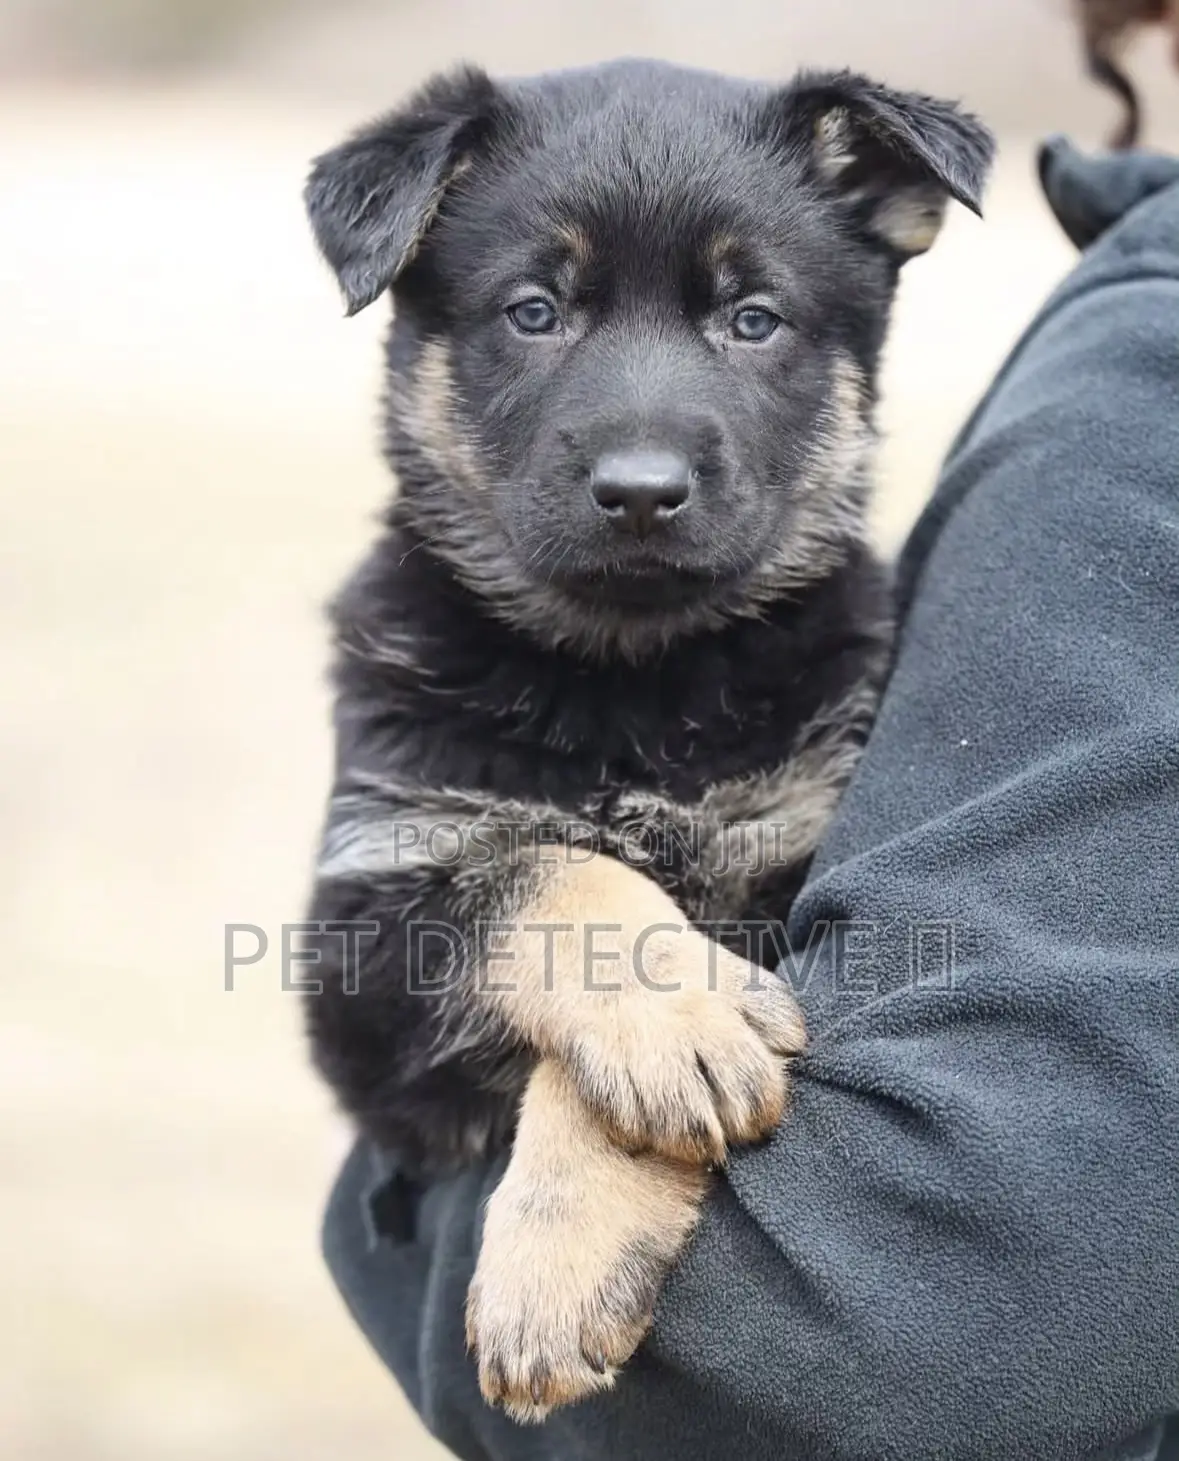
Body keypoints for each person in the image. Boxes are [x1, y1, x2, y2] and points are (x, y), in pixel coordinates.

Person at [318, 139, 1179, 1461]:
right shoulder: (413, 671)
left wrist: (602, 1131)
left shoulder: (892, 658)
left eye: (752, 316)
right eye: (537, 312)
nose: (644, 454)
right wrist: (583, 995)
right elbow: (373, 1006)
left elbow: (906, 1056)